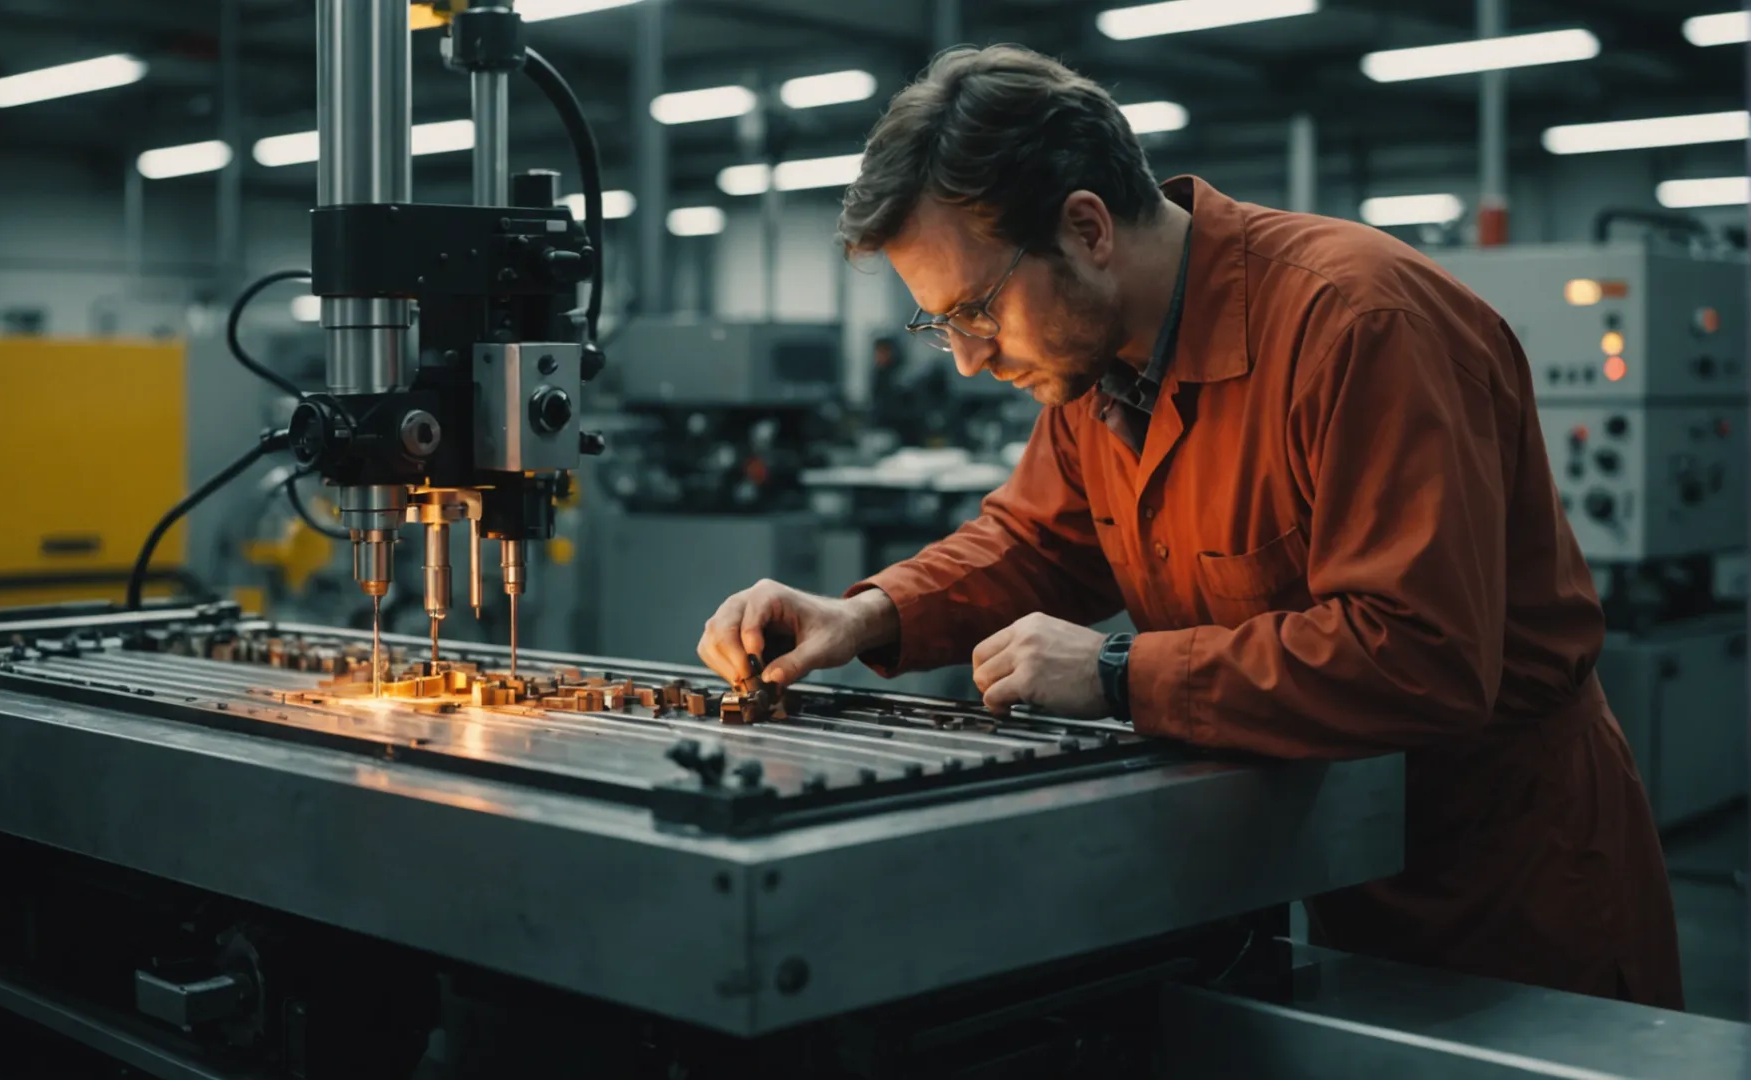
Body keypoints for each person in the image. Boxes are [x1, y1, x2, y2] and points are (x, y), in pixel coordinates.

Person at [696, 44, 1683, 1007]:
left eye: (976, 311)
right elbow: (1036, 540)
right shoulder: (1094, 370)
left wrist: (1121, 672)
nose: (965, 359)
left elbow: (1419, 653)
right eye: (938, 325)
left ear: (1085, 228)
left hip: (1508, 885)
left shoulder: (1357, 324)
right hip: (1332, 856)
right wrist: (863, 614)